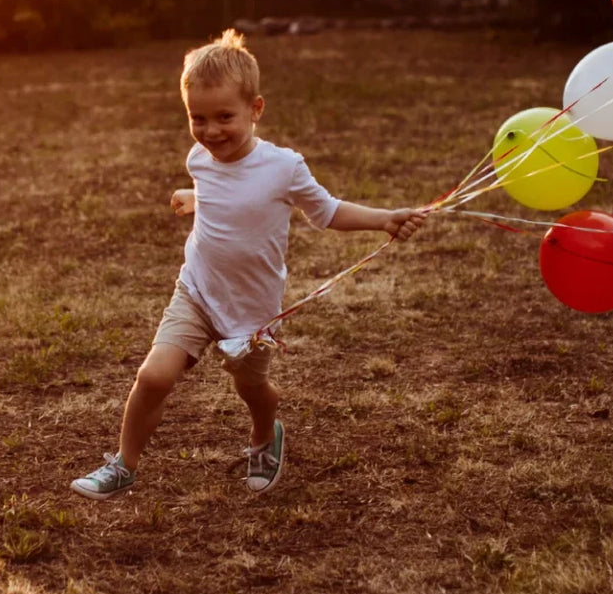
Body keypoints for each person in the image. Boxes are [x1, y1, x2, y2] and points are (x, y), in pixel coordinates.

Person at [71, 30, 426, 500]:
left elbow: (327, 211)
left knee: (251, 387)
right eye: (198, 118)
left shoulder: (284, 167)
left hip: (253, 309)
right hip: (197, 291)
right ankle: (124, 464)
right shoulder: (199, 157)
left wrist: (385, 219)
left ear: (255, 110)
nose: (211, 131)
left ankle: (265, 435)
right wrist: (196, 198)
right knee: (154, 376)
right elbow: (227, 193)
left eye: (224, 117)